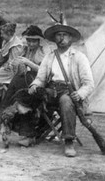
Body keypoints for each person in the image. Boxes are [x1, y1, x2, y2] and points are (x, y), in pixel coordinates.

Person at [29, 23, 94, 157]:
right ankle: (29, 133)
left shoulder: (79, 57)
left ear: (70, 39)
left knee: (65, 101)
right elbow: (40, 78)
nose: (61, 38)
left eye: (65, 35)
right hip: (51, 90)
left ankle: (69, 141)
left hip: (70, 93)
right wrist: (34, 85)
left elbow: (89, 84)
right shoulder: (49, 57)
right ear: (54, 38)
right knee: (29, 94)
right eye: (59, 35)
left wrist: (80, 94)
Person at [0, 25, 47, 147]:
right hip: (26, 80)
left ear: (39, 41)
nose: (31, 43)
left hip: (40, 81)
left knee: (18, 84)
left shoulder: (43, 53)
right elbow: (17, 64)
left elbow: (44, 72)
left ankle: (3, 115)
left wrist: (28, 63)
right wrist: (15, 64)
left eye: (34, 41)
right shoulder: (25, 49)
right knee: (17, 82)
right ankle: (5, 115)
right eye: (29, 40)